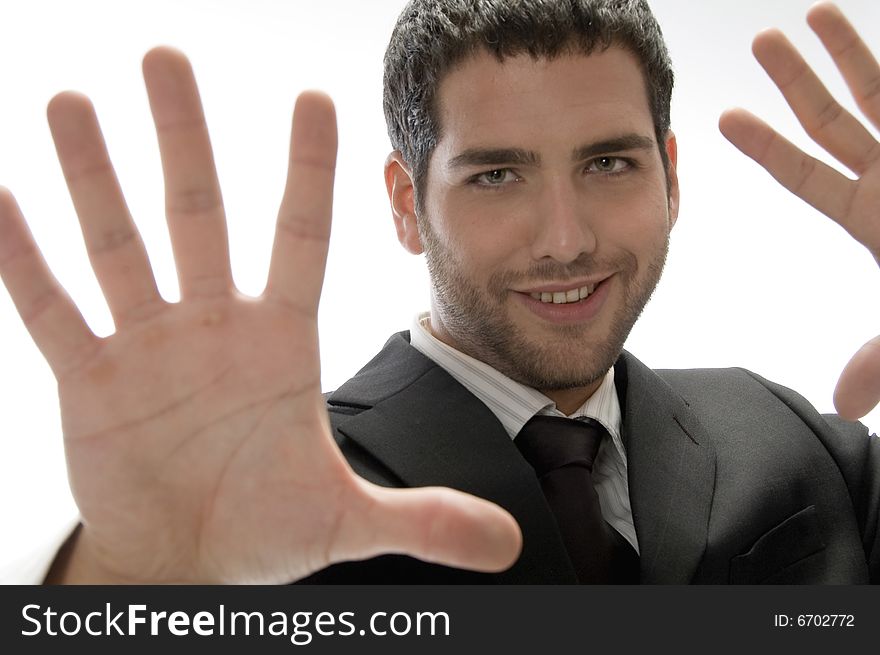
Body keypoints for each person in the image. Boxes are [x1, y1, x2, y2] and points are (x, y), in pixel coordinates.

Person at [0, 0, 878, 584]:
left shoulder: (790, 436)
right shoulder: (272, 486)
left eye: (609, 163)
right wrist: (119, 579)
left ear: (670, 178)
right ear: (405, 205)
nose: (567, 238)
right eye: (497, 175)